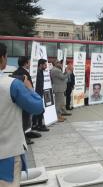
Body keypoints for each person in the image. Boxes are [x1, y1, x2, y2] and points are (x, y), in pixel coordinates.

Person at [0, 43, 44, 186]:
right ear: (2, 58)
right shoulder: (11, 84)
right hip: (6, 156)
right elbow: (37, 107)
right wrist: (30, 88)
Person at [12, 56, 40, 144]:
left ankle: (25, 134)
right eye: (29, 62)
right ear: (25, 63)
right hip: (25, 98)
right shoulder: (25, 73)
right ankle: (23, 138)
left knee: (22, 118)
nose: (30, 64)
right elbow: (28, 86)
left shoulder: (15, 72)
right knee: (25, 118)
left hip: (17, 99)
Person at [32, 59, 50, 132]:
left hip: (39, 93)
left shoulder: (41, 72)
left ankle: (35, 124)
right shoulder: (37, 73)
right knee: (40, 110)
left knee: (38, 110)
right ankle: (39, 125)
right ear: (41, 65)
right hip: (37, 94)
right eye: (45, 65)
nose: (46, 66)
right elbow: (37, 85)